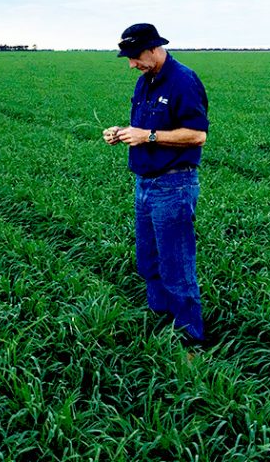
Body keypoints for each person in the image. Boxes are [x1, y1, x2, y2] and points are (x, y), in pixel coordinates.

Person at [103, 23, 210, 344]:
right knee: (148, 260)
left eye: (135, 56)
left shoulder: (183, 80)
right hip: (144, 183)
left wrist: (147, 136)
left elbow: (197, 135)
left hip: (173, 184)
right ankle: (161, 321)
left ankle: (190, 340)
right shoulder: (145, 81)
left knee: (176, 267)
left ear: (153, 48)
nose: (131, 64)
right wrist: (122, 133)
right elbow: (144, 129)